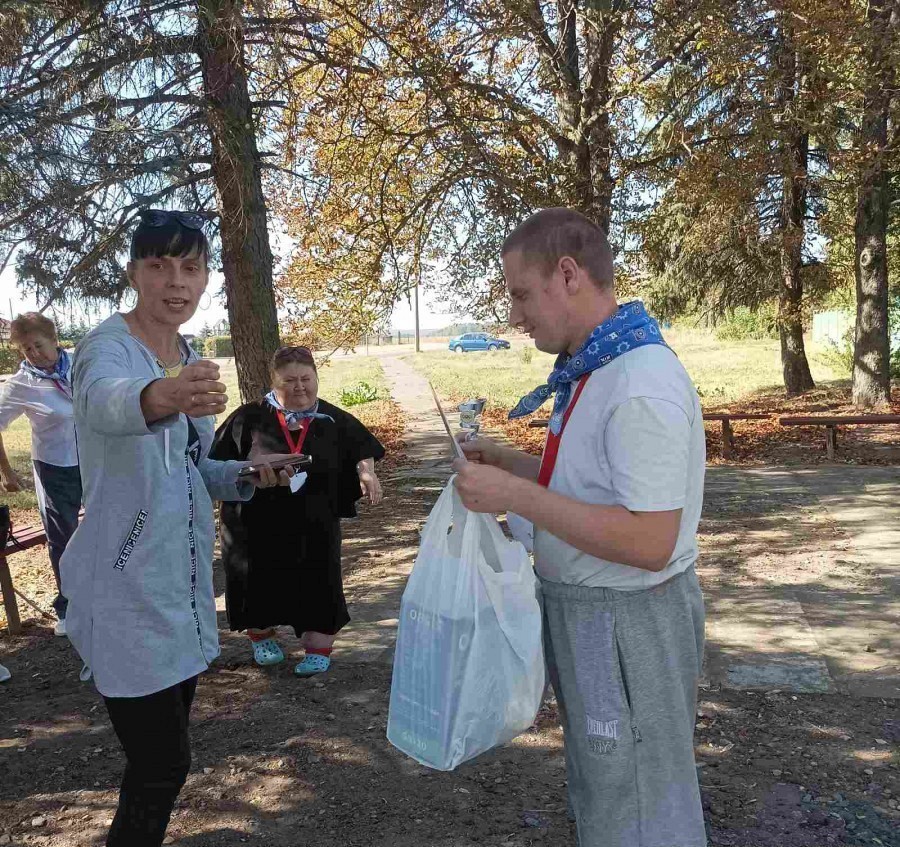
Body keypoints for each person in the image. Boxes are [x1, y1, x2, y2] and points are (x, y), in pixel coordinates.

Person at [453, 208, 707, 847]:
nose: (515, 315)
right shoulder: (599, 365)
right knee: (611, 786)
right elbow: (598, 488)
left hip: (628, 621)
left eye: (520, 294)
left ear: (567, 274)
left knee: (639, 799)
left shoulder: (638, 382)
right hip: (599, 617)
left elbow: (650, 541)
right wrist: (517, 466)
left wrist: (514, 494)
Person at [60, 209, 295, 847]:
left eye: (190, 267)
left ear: (206, 277)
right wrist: (165, 396)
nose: (175, 281)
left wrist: (248, 471)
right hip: (123, 587)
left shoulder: (188, 352)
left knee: (161, 762)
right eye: (159, 265)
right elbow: (106, 402)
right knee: (163, 763)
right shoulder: (107, 346)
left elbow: (192, 470)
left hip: (180, 590)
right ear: (135, 272)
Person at [209, 345, 385, 676]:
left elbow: (362, 447)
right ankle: (261, 637)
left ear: (316, 377)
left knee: (319, 579)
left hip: (314, 521)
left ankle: (318, 647)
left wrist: (366, 472)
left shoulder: (333, 418)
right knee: (255, 579)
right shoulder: (248, 417)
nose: (300, 387)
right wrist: (249, 469)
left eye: (306, 378)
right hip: (255, 524)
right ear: (273, 381)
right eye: (289, 380)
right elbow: (216, 463)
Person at [0, 312, 81, 636]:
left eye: (38, 345)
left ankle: (109, 598)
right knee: (64, 538)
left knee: (110, 528)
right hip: (55, 468)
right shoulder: (21, 384)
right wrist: (6, 471)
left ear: (54, 339)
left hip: (99, 460)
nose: (34, 354)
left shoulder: (83, 364)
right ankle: (68, 607)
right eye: (26, 349)